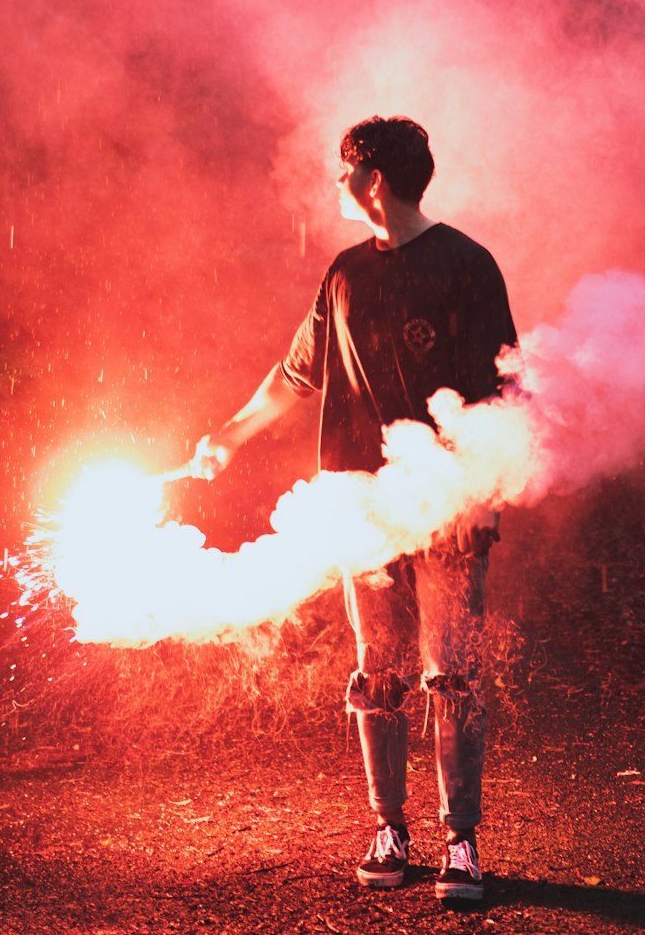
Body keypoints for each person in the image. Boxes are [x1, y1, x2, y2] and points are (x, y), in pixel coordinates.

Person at [189, 116, 516, 902]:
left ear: (372, 180)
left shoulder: (468, 265)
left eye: (343, 172)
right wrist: (226, 437)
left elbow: (506, 393)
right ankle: (389, 827)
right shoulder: (342, 275)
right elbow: (296, 373)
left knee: (456, 674)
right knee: (379, 671)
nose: (334, 184)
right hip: (362, 506)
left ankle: (461, 841)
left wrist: (480, 492)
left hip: (450, 508)